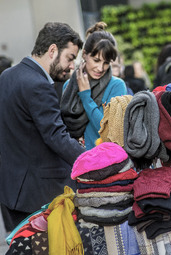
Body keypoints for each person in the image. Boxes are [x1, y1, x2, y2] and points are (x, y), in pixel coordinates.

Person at [0, 22, 85, 232]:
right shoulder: (38, 84)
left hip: (10, 191)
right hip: (38, 194)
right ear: (52, 50)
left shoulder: (7, 76)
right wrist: (91, 161)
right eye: (70, 58)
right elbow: (56, 136)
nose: (72, 66)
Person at [61, 22, 127, 150]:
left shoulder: (117, 86)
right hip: (76, 159)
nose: (100, 68)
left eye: (106, 63)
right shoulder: (68, 86)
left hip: (106, 160)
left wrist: (86, 97)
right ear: (85, 54)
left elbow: (107, 131)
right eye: (96, 60)